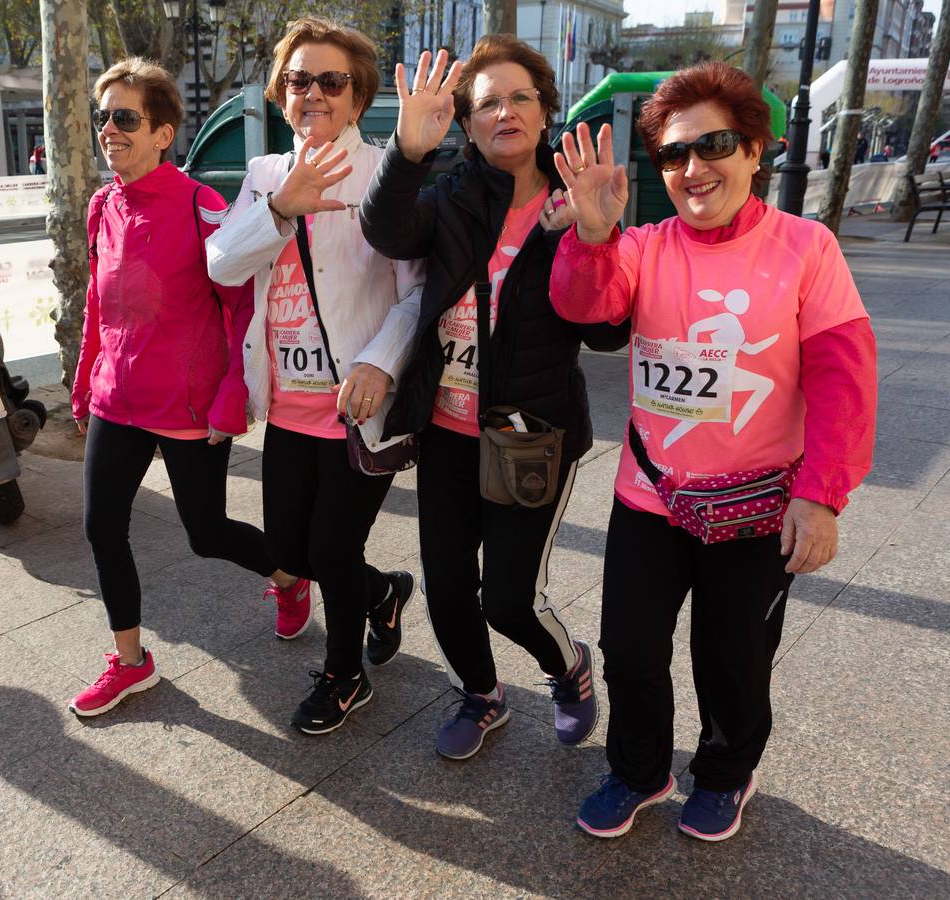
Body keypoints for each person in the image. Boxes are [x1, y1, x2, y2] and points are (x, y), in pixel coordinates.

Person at [549, 62, 876, 841]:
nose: (694, 169)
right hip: (650, 498)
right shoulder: (642, 246)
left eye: (715, 145)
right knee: (630, 651)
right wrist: (593, 235)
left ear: (757, 149)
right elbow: (586, 309)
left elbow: (843, 376)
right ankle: (638, 770)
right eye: (672, 154)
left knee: (732, 659)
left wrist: (822, 493)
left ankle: (727, 773)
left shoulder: (807, 248)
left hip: (759, 506)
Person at [360, 38, 627, 761]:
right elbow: (386, 231)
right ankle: (480, 696)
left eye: (519, 97)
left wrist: (599, 240)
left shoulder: (580, 202)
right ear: (466, 124)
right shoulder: (451, 194)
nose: (503, 112)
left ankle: (566, 668)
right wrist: (405, 153)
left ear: (545, 110)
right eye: (485, 104)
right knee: (447, 590)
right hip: (446, 428)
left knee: (507, 598)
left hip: (529, 430)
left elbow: (609, 333)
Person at [68, 58, 307, 717]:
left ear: (163, 132)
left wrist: (235, 393)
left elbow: (238, 307)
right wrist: (87, 379)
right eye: (102, 118)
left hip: (188, 403)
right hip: (119, 397)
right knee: (100, 526)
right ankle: (130, 661)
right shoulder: (101, 206)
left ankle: (290, 580)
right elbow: (98, 302)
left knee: (205, 533)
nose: (108, 130)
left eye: (125, 118)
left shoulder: (202, 206)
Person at [206, 18, 424, 735]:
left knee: (331, 549)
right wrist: (276, 207)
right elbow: (220, 264)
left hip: (357, 406)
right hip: (288, 404)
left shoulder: (386, 171)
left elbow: (419, 288)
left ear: (357, 98)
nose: (315, 93)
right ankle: (384, 592)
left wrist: (380, 360)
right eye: (300, 79)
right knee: (293, 552)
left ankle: (343, 675)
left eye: (333, 81)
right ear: (281, 92)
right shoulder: (267, 173)